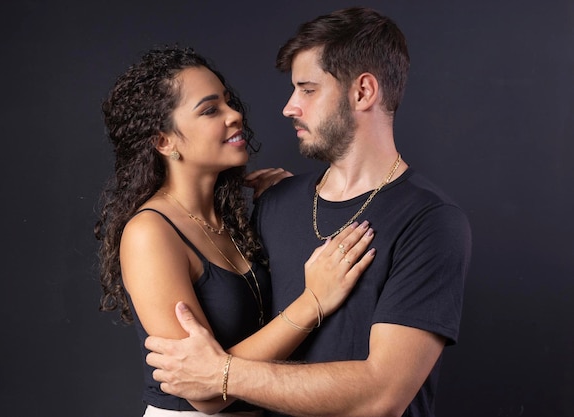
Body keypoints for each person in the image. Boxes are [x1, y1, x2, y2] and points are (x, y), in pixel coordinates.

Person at [144, 7, 472, 417]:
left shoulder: (430, 220)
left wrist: (219, 374)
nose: (289, 107)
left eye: (308, 89)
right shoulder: (275, 201)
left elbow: (382, 395)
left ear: (363, 92)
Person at [94, 45, 378, 416]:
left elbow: (227, 364)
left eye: (229, 103)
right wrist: (314, 302)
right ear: (165, 141)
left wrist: (286, 204)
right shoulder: (150, 233)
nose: (235, 115)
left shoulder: (234, 221)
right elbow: (204, 392)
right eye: (211, 110)